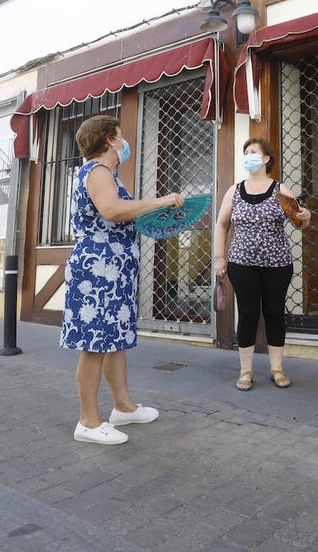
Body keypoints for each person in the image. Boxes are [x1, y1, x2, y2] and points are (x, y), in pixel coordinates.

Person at [61, 115, 185, 445]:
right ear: (110, 141)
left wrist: (154, 214)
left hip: (112, 269)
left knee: (114, 340)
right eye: (120, 135)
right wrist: (160, 201)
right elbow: (112, 210)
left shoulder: (103, 174)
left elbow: (122, 214)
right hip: (98, 270)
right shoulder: (98, 171)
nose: (124, 141)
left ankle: (123, 407)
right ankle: (88, 422)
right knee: (94, 344)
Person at [213, 138, 311, 391]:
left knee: (275, 313)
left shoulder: (280, 189)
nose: (249, 155)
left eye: (253, 152)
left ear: (266, 158)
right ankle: (245, 371)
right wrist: (219, 257)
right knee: (247, 313)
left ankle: (277, 368)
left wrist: (306, 216)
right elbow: (221, 224)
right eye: (246, 152)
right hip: (241, 264)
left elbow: (298, 221)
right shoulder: (234, 191)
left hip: (277, 264)